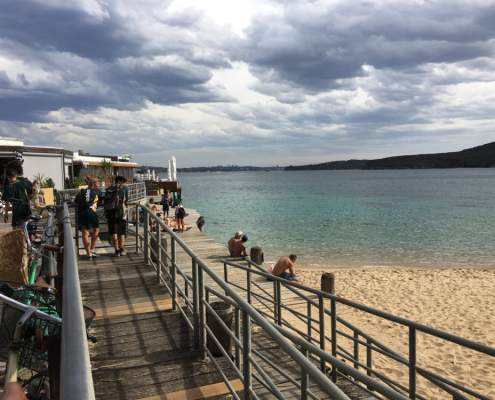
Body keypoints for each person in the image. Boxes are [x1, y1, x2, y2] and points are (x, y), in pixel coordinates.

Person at [75, 177, 100, 259]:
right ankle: (92, 249)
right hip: (91, 212)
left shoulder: (82, 191)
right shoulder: (95, 192)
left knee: (85, 233)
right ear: (93, 184)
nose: (98, 185)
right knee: (96, 230)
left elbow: (76, 201)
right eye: (97, 183)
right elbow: (99, 202)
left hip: (82, 212)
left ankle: (88, 253)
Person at [104, 176, 129, 256]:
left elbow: (105, 201)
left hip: (111, 214)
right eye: (124, 182)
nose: (125, 183)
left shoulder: (108, 189)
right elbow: (126, 201)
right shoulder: (124, 190)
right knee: (121, 233)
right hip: (121, 213)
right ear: (120, 181)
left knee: (113, 232)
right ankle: (122, 249)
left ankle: (116, 250)